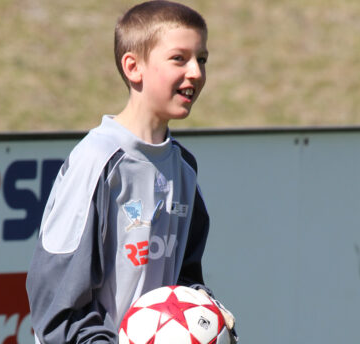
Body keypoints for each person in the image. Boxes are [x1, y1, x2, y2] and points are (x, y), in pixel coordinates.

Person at [26, 1, 238, 343]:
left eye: (202, 59)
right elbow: (57, 305)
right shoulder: (96, 161)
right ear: (133, 67)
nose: (196, 73)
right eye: (179, 58)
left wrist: (204, 312)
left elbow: (181, 281)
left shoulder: (183, 167)